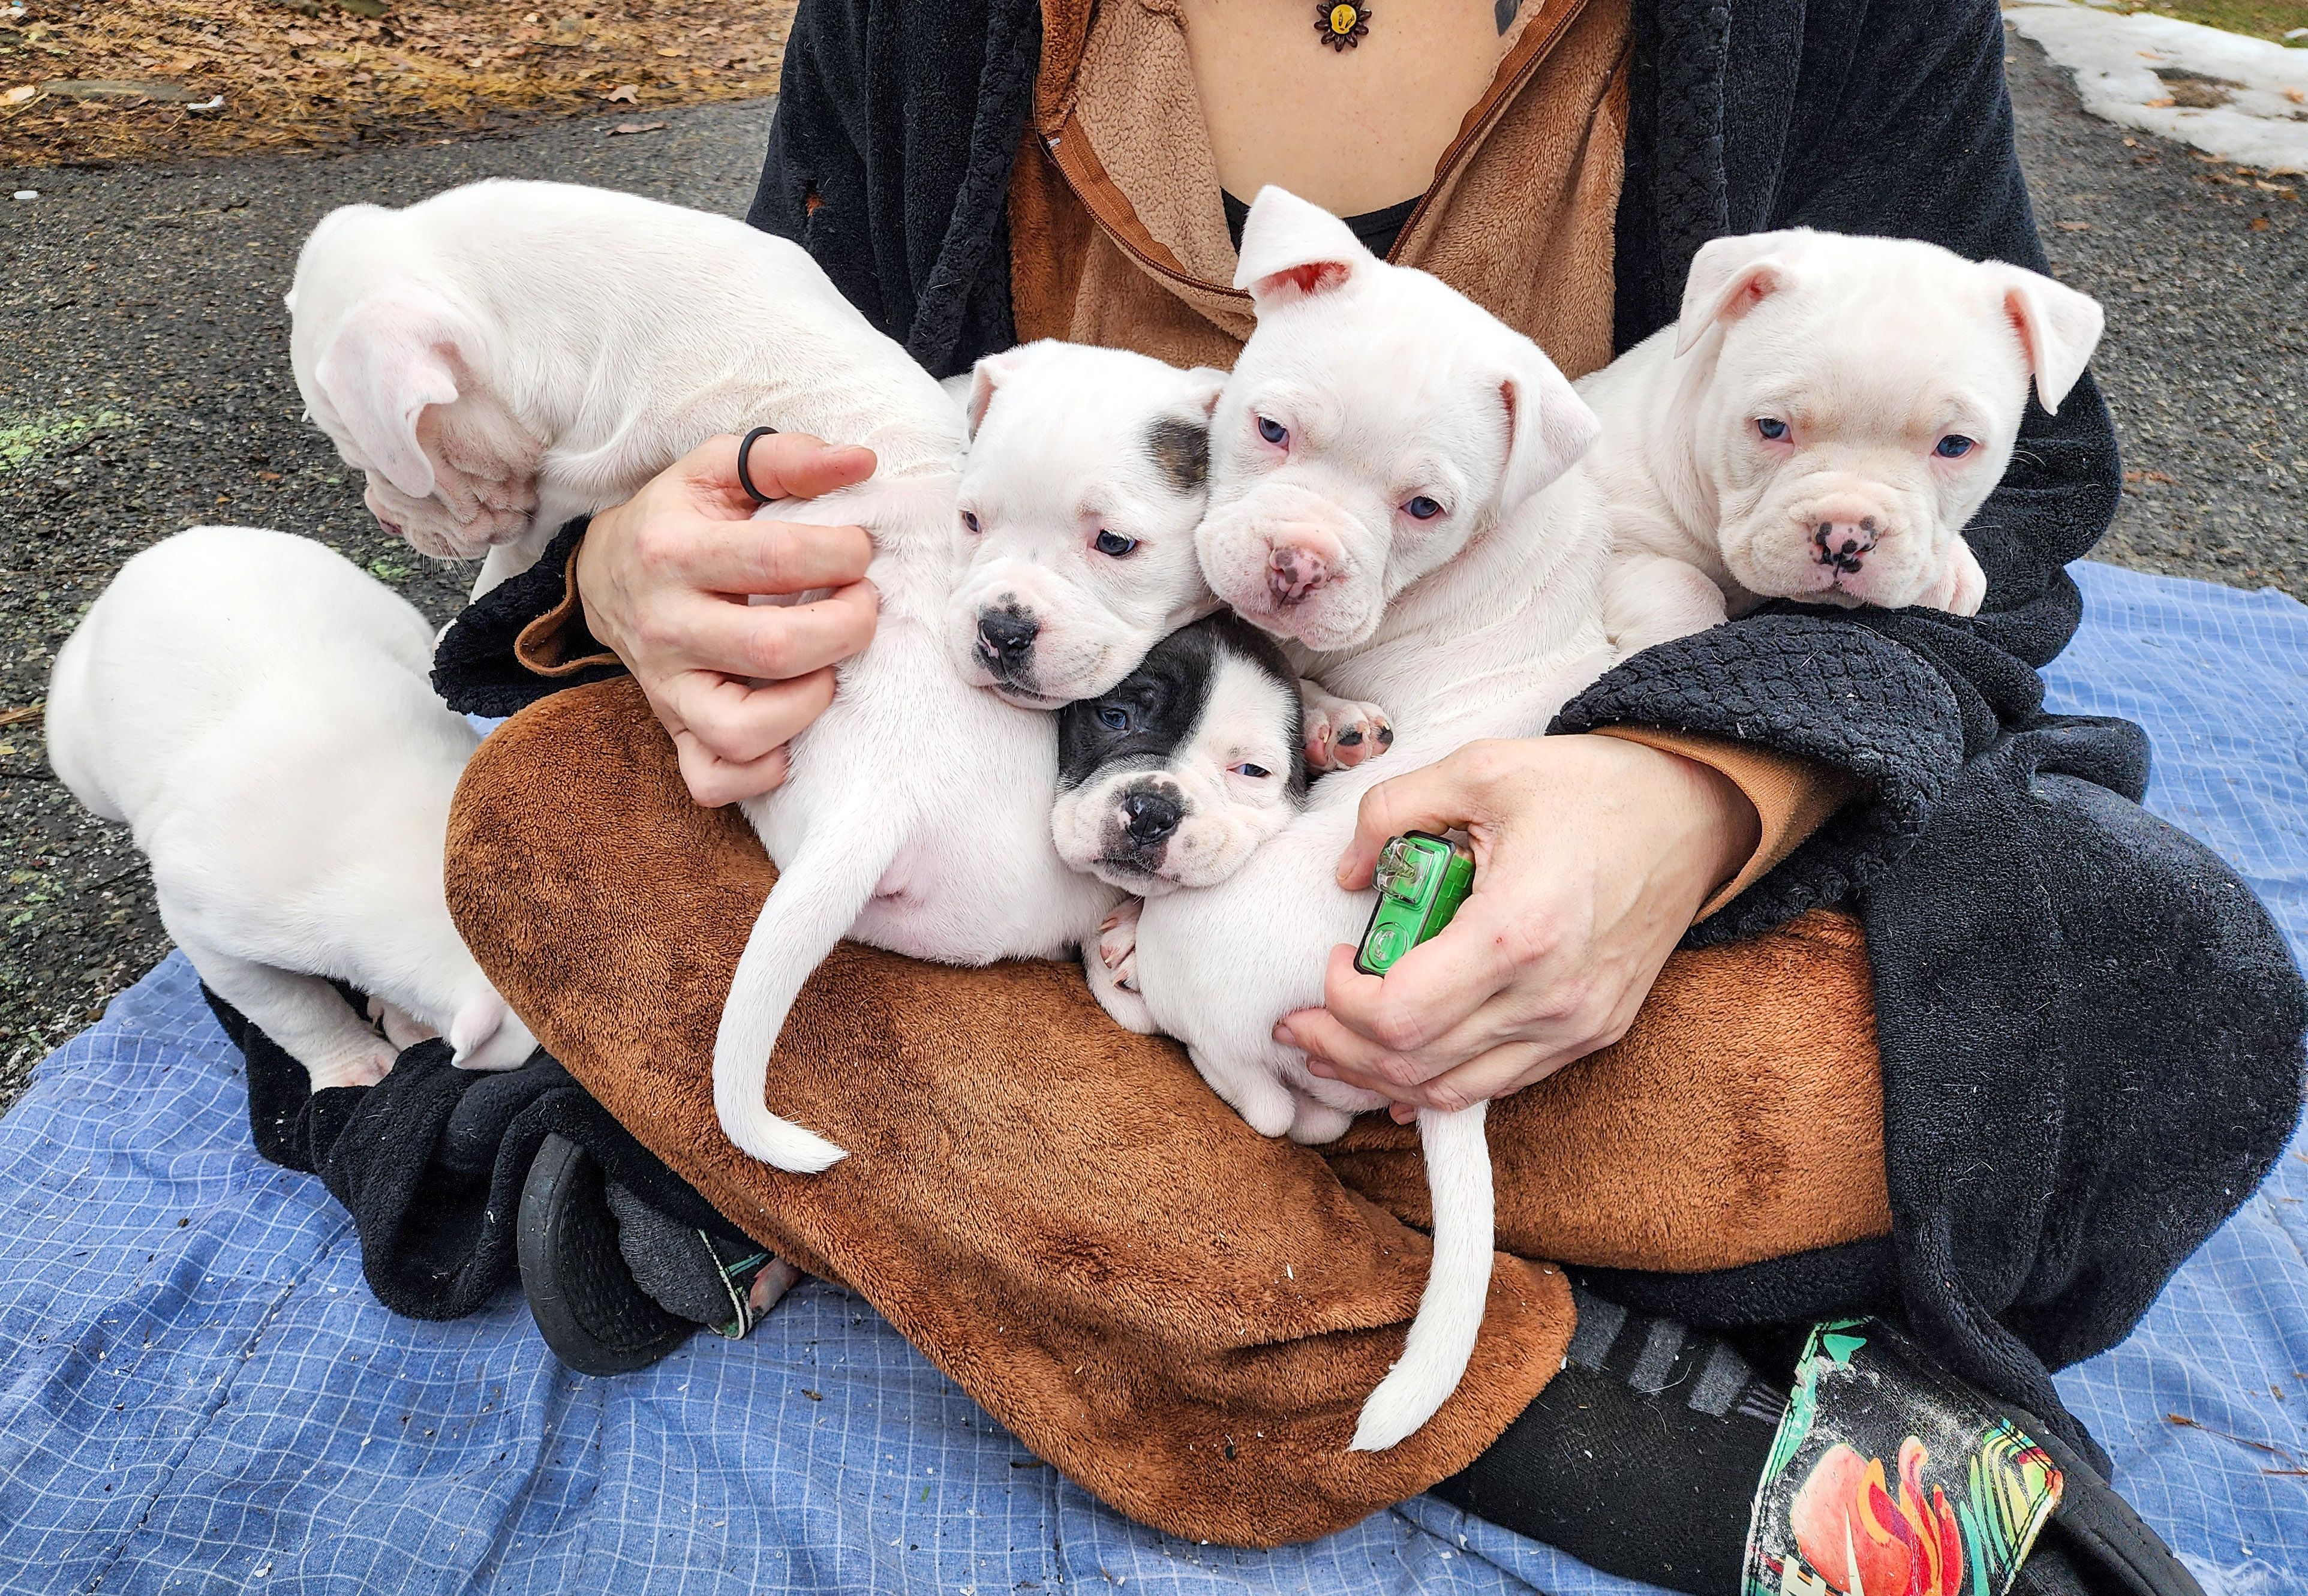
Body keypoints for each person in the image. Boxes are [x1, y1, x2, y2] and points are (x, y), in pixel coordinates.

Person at [410, 0, 2306, 1589]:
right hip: (1035, 806)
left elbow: (2019, 515)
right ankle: (1563, 1410)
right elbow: (812, 383)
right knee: (558, 808)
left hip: (1521, 888)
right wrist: (658, 559)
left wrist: (1701, 791)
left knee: (2165, 975)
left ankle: (946, 1182)